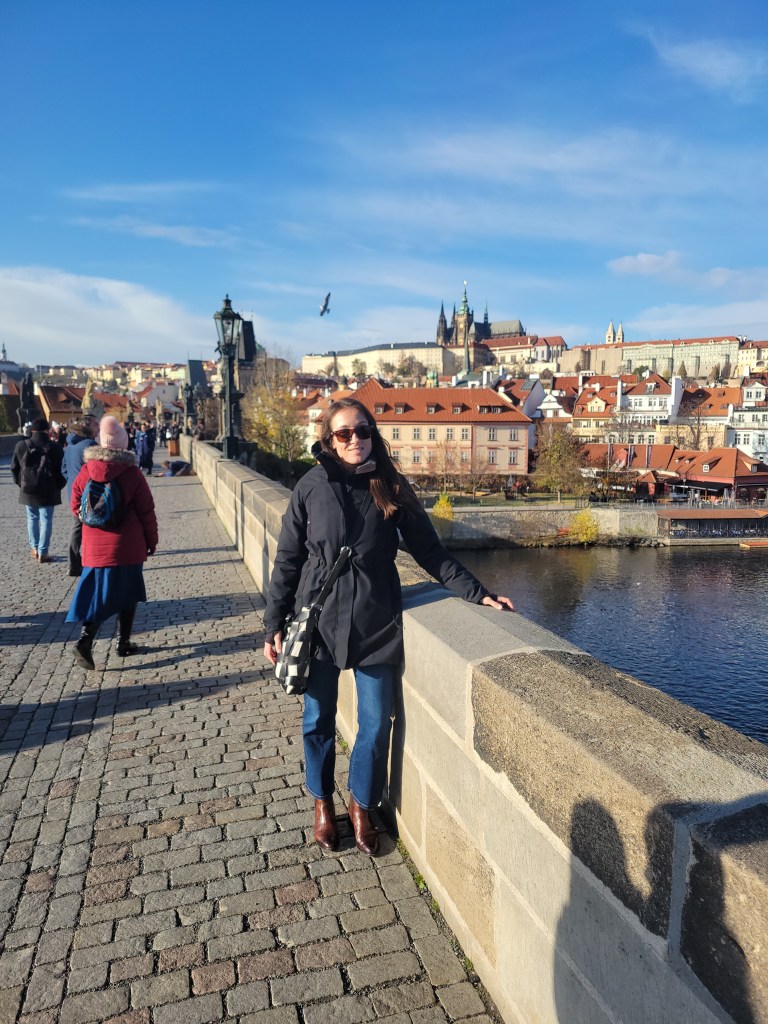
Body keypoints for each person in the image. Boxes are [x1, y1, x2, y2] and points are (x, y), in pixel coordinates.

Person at [262, 398, 514, 856]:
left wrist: (478, 592)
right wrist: (273, 623)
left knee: (376, 723)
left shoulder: (391, 485)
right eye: (344, 434)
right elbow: (288, 559)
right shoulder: (311, 486)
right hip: (319, 622)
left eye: (362, 431)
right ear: (329, 440)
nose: (355, 440)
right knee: (317, 719)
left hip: (376, 620)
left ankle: (361, 803)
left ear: (372, 434)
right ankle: (321, 802)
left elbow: (429, 551)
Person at [66, 416, 158, 670]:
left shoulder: (87, 470)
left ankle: (97, 641)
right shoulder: (131, 473)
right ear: (123, 444)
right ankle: (112, 642)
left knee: (99, 595)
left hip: (95, 549)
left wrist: (96, 524)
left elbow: (75, 507)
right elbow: (146, 511)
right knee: (127, 593)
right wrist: (151, 541)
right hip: (128, 546)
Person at [11, 416, 66, 563]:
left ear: (32, 430)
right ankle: (43, 552)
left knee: (32, 518)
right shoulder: (56, 448)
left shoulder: (21, 445)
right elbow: (62, 471)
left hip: (28, 490)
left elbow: (14, 469)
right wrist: (57, 486)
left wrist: (22, 484)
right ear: (47, 430)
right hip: (49, 489)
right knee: (46, 520)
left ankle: (34, 548)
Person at [62, 415, 99, 576]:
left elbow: (63, 470)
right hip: (89, 493)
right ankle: (91, 561)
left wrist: (73, 483)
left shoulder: (69, 445)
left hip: (73, 493)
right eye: (95, 424)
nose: (98, 426)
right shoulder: (90, 445)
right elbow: (98, 470)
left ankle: (74, 563)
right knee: (94, 527)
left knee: (77, 528)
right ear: (87, 427)